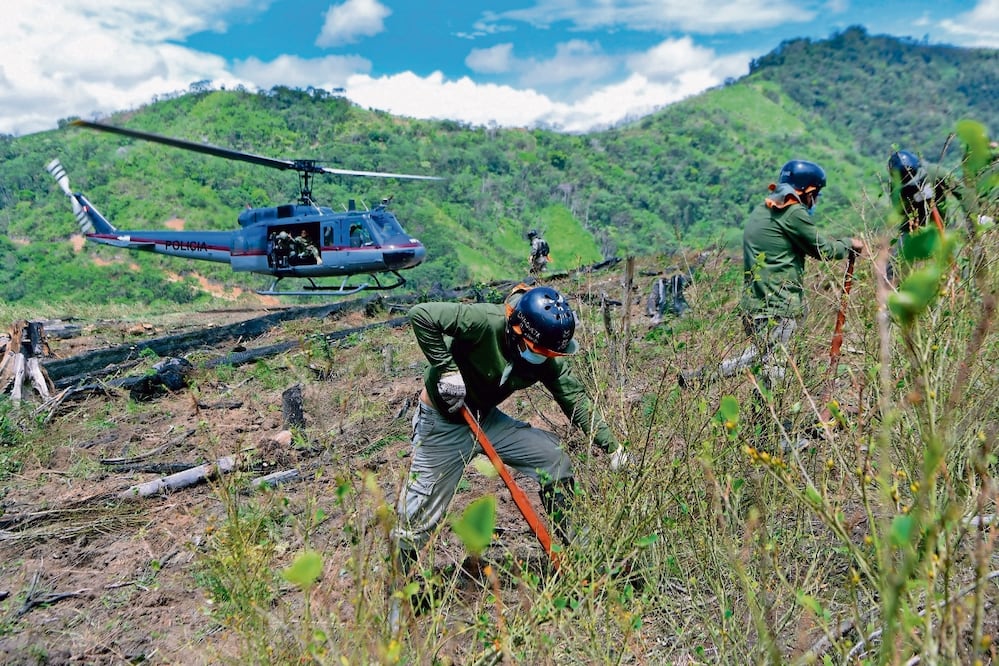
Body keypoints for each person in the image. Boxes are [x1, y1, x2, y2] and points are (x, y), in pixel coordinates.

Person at [392, 285, 624, 577]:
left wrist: (612, 447)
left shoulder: (546, 356)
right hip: (444, 423)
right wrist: (446, 369)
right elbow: (422, 315)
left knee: (553, 458)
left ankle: (581, 552)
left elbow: (574, 397)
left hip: (485, 419)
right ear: (517, 331)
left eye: (548, 353)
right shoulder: (484, 321)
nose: (543, 358)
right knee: (418, 516)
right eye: (538, 351)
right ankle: (394, 587)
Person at [680, 160, 863, 391]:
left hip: (754, 304)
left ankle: (705, 378)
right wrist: (850, 244)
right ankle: (771, 420)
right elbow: (823, 250)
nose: (816, 201)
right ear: (809, 191)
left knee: (763, 357)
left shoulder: (762, 210)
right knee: (775, 368)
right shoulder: (792, 212)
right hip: (778, 305)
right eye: (817, 195)